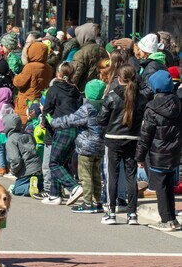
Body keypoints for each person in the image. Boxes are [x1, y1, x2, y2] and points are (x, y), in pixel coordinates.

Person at [97, 65, 147, 225]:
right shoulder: (141, 97)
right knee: (131, 176)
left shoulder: (112, 96)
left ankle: (111, 212)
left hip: (113, 138)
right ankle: (132, 214)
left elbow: (102, 119)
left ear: (119, 78)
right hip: (133, 139)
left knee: (112, 176)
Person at [135, 70, 182, 231]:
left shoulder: (152, 108)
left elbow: (145, 135)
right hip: (174, 152)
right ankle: (172, 218)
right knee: (168, 186)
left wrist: (139, 157)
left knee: (161, 188)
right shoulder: (178, 103)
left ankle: (166, 220)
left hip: (157, 153)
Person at [51, 79, 107, 214]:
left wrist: (54, 122)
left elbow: (71, 120)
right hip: (100, 146)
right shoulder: (105, 106)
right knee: (96, 175)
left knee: (85, 175)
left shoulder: (87, 108)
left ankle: (87, 203)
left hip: (86, 146)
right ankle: (97, 202)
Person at [40, 62, 83, 204]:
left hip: (61, 128)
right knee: (61, 161)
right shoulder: (76, 91)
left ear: (58, 73)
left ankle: (74, 187)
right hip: (75, 128)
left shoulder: (54, 89)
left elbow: (47, 109)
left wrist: (45, 123)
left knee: (53, 162)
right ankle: (55, 194)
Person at [3, 112, 43, 196]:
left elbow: (15, 159)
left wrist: (13, 170)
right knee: (39, 184)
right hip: (38, 168)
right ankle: (46, 187)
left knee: (15, 189)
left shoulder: (11, 140)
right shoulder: (28, 135)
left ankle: (28, 188)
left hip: (26, 172)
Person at [13, 41, 51, 124]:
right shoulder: (48, 68)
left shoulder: (30, 67)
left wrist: (16, 77)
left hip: (26, 102)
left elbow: (19, 83)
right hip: (40, 101)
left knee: (23, 126)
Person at [71, 23, 108, 92]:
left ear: (82, 36)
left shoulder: (80, 53)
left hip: (84, 92)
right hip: (100, 90)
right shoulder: (102, 50)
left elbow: (74, 77)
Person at [136, 33, 167, 100]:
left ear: (146, 51)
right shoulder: (157, 62)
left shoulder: (151, 66)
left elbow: (149, 89)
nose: (138, 51)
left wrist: (137, 97)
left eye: (140, 49)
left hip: (148, 103)